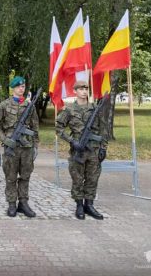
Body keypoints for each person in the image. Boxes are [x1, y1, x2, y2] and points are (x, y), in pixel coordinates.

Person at [55, 80, 107, 220]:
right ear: (75, 91)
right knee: (77, 178)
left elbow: (103, 130)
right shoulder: (69, 110)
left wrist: (103, 148)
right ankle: (79, 205)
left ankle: (89, 205)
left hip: (94, 151)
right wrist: (72, 141)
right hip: (78, 150)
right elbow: (59, 129)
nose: (84, 91)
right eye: (81, 89)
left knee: (92, 178)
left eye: (86, 89)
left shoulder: (95, 108)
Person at [0, 76, 39, 218]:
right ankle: (12, 203)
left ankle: (23, 203)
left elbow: (35, 127)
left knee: (25, 176)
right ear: (13, 88)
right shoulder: (4, 105)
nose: (21, 89)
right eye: (18, 86)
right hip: (11, 147)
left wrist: (35, 146)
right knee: (11, 177)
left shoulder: (30, 106)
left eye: (23, 86)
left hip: (26, 147)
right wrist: (5, 140)